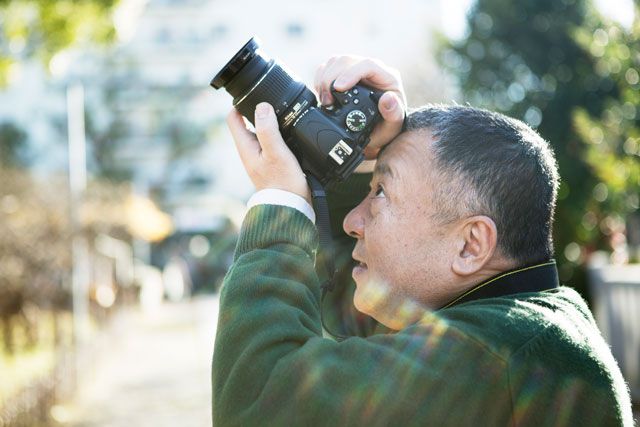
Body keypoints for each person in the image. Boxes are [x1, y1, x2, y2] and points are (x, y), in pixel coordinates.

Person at [212, 56, 634, 426]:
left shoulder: (494, 359)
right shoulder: (524, 333)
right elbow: (341, 299)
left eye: (379, 193)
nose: (353, 221)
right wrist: (349, 158)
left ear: (471, 245)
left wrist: (280, 201)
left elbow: (259, 402)